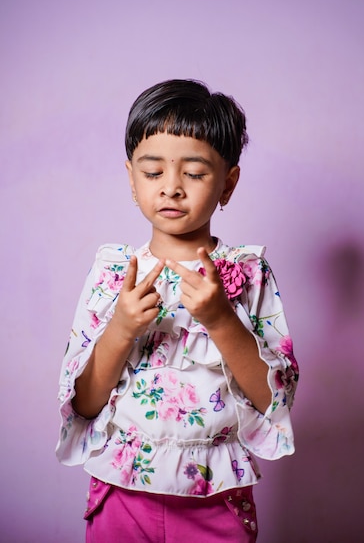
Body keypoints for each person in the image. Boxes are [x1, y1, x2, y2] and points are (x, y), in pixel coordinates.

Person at [56, 79, 299, 543]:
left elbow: (275, 401)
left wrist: (222, 319)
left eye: (194, 172)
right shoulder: (112, 273)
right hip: (121, 493)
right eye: (152, 173)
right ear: (131, 178)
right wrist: (122, 327)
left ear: (228, 182)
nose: (172, 187)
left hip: (217, 498)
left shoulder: (247, 273)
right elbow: (83, 403)